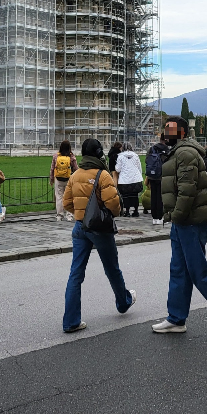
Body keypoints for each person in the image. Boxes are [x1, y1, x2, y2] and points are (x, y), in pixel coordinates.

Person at [151, 117, 207, 336]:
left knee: (198, 271)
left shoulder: (185, 153)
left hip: (189, 220)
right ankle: (176, 318)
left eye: (170, 129)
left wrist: (177, 215)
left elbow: (187, 189)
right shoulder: (179, 152)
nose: (166, 133)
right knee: (179, 270)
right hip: (183, 220)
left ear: (182, 133)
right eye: (165, 129)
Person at [62, 139, 135, 333]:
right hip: (99, 229)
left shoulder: (75, 175)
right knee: (112, 269)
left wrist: (81, 213)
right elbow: (113, 204)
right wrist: (105, 213)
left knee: (75, 274)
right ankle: (123, 302)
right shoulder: (102, 175)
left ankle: (71, 321)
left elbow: (66, 202)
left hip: (79, 227)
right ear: (99, 153)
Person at [50, 140, 78, 222]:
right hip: (69, 179)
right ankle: (69, 215)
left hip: (58, 179)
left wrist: (51, 179)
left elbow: (52, 169)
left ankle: (59, 215)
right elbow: (76, 169)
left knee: (59, 197)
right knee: (69, 197)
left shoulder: (56, 156)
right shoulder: (71, 157)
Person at [145, 135, 169, 226]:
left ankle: (154, 217)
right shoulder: (167, 150)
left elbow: (147, 160)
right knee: (160, 197)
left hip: (152, 175)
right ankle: (160, 216)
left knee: (153, 196)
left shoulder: (152, 149)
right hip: (162, 176)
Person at [115, 144, 144, 218]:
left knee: (126, 196)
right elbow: (139, 167)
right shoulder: (135, 156)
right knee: (135, 195)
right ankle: (136, 211)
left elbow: (118, 169)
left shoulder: (120, 156)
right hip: (135, 179)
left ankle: (127, 211)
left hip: (124, 180)